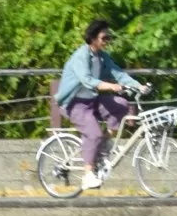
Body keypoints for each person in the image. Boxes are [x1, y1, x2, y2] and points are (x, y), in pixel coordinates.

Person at [55, 17, 146, 189]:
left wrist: (139, 86)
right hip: (74, 104)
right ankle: (87, 175)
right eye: (104, 38)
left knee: (122, 104)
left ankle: (103, 145)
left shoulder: (102, 57)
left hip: (92, 100)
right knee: (94, 134)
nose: (107, 41)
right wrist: (111, 86)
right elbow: (87, 80)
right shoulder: (81, 56)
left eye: (109, 38)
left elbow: (119, 74)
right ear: (92, 38)